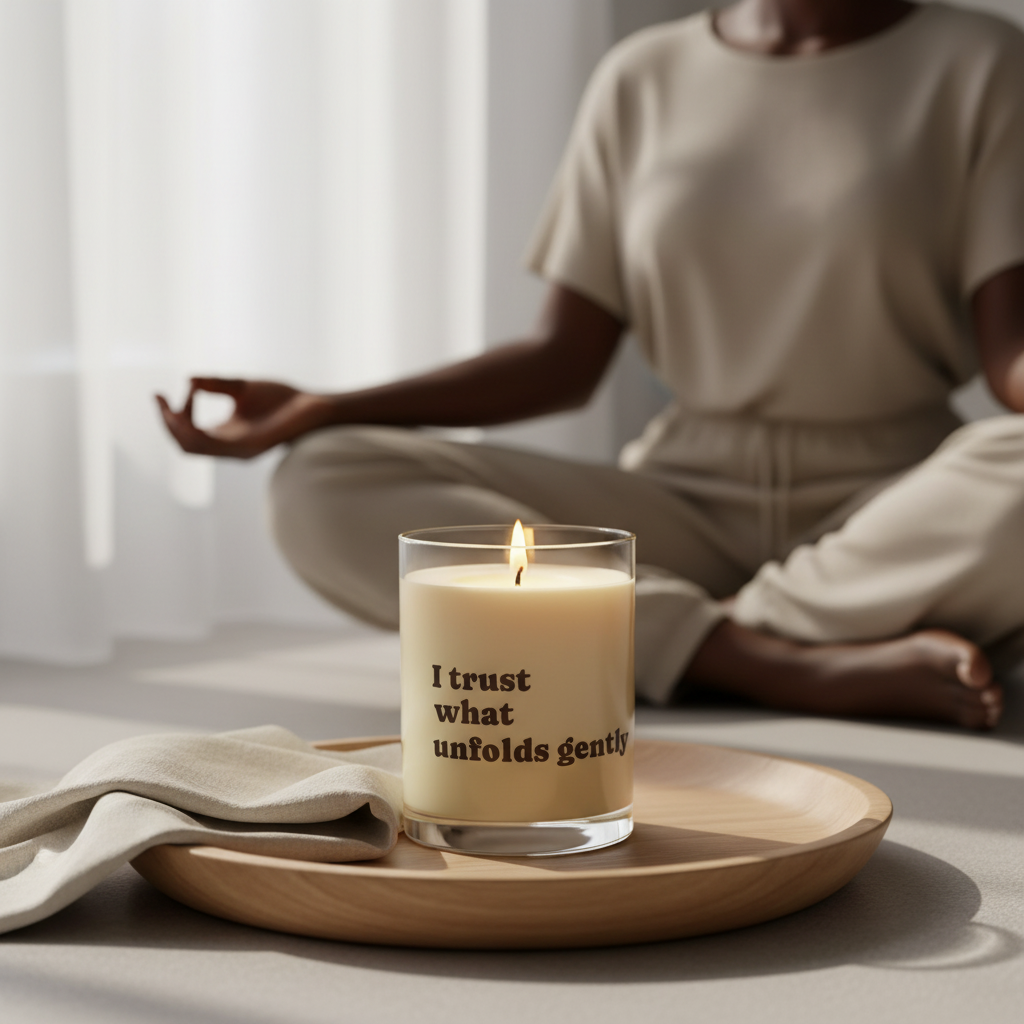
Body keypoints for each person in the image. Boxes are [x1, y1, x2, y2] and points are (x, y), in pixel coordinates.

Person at [159, 0, 1024, 730]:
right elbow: (561, 360)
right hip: (679, 502)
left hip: (896, 506)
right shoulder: (642, 76)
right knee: (322, 480)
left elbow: (1008, 358)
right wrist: (327, 407)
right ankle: (782, 662)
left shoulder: (981, 62)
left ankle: (661, 638)